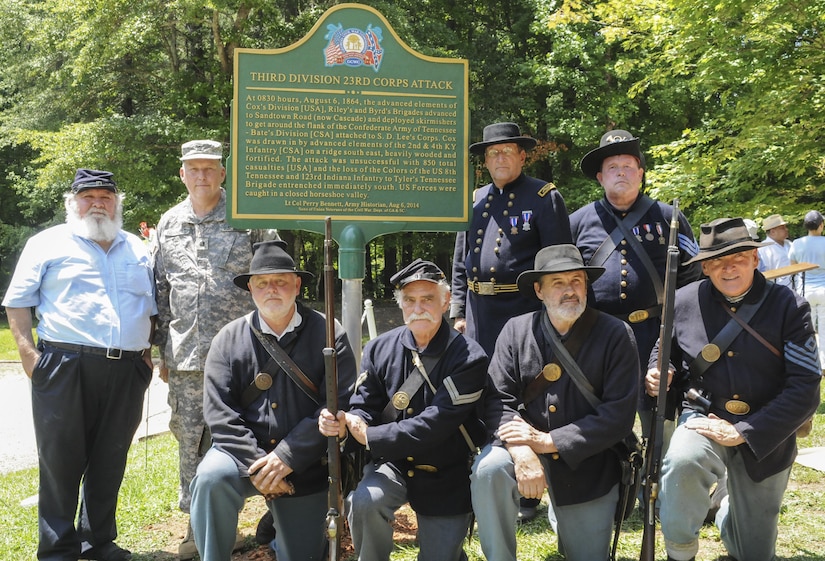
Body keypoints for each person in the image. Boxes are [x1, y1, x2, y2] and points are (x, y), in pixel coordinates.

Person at [2, 169, 157, 561]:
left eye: (106, 196)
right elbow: (18, 302)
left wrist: (145, 357)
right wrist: (29, 356)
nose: (98, 203)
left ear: (117, 203)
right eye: (88, 197)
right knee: (60, 460)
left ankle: (97, 542)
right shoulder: (46, 244)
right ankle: (57, 550)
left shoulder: (138, 249)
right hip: (64, 365)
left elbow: (150, 309)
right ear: (73, 203)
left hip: (126, 369)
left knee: (111, 458)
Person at [646, 217, 821, 561]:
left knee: (752, 553)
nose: (728, 269)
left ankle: (726, 508)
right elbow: (662, 347)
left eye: (738, 259)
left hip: (767, 427)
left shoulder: (789, 307)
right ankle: (680, 551)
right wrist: (659, 369)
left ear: (755, 259)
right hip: (704, 414)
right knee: (682, 462)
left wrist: (744, 431)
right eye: (717, 262)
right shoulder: (683, 300)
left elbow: (806, 388)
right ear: (706, 267)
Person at [188, 240, 356, 561]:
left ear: (297, 285)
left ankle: (280, 531)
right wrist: (258, 465)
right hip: (240, 460)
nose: (272, 289)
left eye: (280, 281)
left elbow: (338, 404)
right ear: (251, 288)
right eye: (262, 283)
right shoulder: (228, 339)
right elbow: (220, 414)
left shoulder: (330, 333)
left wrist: (287, 456)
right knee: (210, 478)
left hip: (305, 464)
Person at [470, 244, 639, 561]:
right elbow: (497, 400)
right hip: (525, 447)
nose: (570, 291)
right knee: (489, 469)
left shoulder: (617, 334)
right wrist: (521, 451)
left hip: (590, 461)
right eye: (558, 283)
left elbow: (617, 416)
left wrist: (548, 442)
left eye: (576, 281)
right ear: (539, 289)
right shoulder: (515, 330)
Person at [152, 139, 275, 558]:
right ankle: (197, 527)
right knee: (190, 439)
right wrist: (161, 352)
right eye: (193, 168)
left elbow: (275, 275)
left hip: (248, 356)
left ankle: (277, 517)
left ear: (223, 173)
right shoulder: (168, 224)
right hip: (186, 356)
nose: (201, 175)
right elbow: (161, 292)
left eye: (210, 168)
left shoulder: (249, 216)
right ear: (182, 174)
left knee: (260, 432)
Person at [319, 259, 488, 561]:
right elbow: (365, 405)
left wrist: (369, 436)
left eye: (427, 299)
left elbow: (434, 424)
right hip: (392, 464)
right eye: (409, 300)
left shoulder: (469, 357)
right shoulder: (379, 348)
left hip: (446, 473)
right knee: (365, 501)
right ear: (400, 304)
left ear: (446, 301)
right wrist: (349, 421)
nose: (418, 307)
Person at [451, 122, 571, 520]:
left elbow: (558, 262)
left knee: (527, 391)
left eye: (507, 151)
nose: (500, 158)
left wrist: (550, 313)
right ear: (485, 162)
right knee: (483, 388)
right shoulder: (473, 199)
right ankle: (485, 471)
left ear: (522, 156)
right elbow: (460, 260)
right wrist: (457, 310)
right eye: (492, 153)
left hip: (524, 311)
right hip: (479, 313)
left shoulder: (543, 197)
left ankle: (529, 492)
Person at [570, 129, 702, 441]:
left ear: (640, 174)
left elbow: (691, 274)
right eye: (613, 167)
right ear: (600, 177)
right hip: (597, 335)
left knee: (659, 427)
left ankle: (655, 486)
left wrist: (674, 329)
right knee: (600, 419)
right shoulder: (576, 222)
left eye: (628, 166)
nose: (621, 173)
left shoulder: (670, 218)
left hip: (654, 333)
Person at [789, 210, 825, 371]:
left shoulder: (797, 243)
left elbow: (793, 267)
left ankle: (810, 361)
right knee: (824, 327)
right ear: (821, 225)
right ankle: (824, 363)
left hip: (805, 289)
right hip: (824, 288)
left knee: (806, 329)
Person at [757, 213, 793, 288]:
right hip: (778, 291)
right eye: (782, 228)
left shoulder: (790, 244)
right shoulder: (763, 249)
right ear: (773, 231)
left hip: (797, 288)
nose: (786, 229)